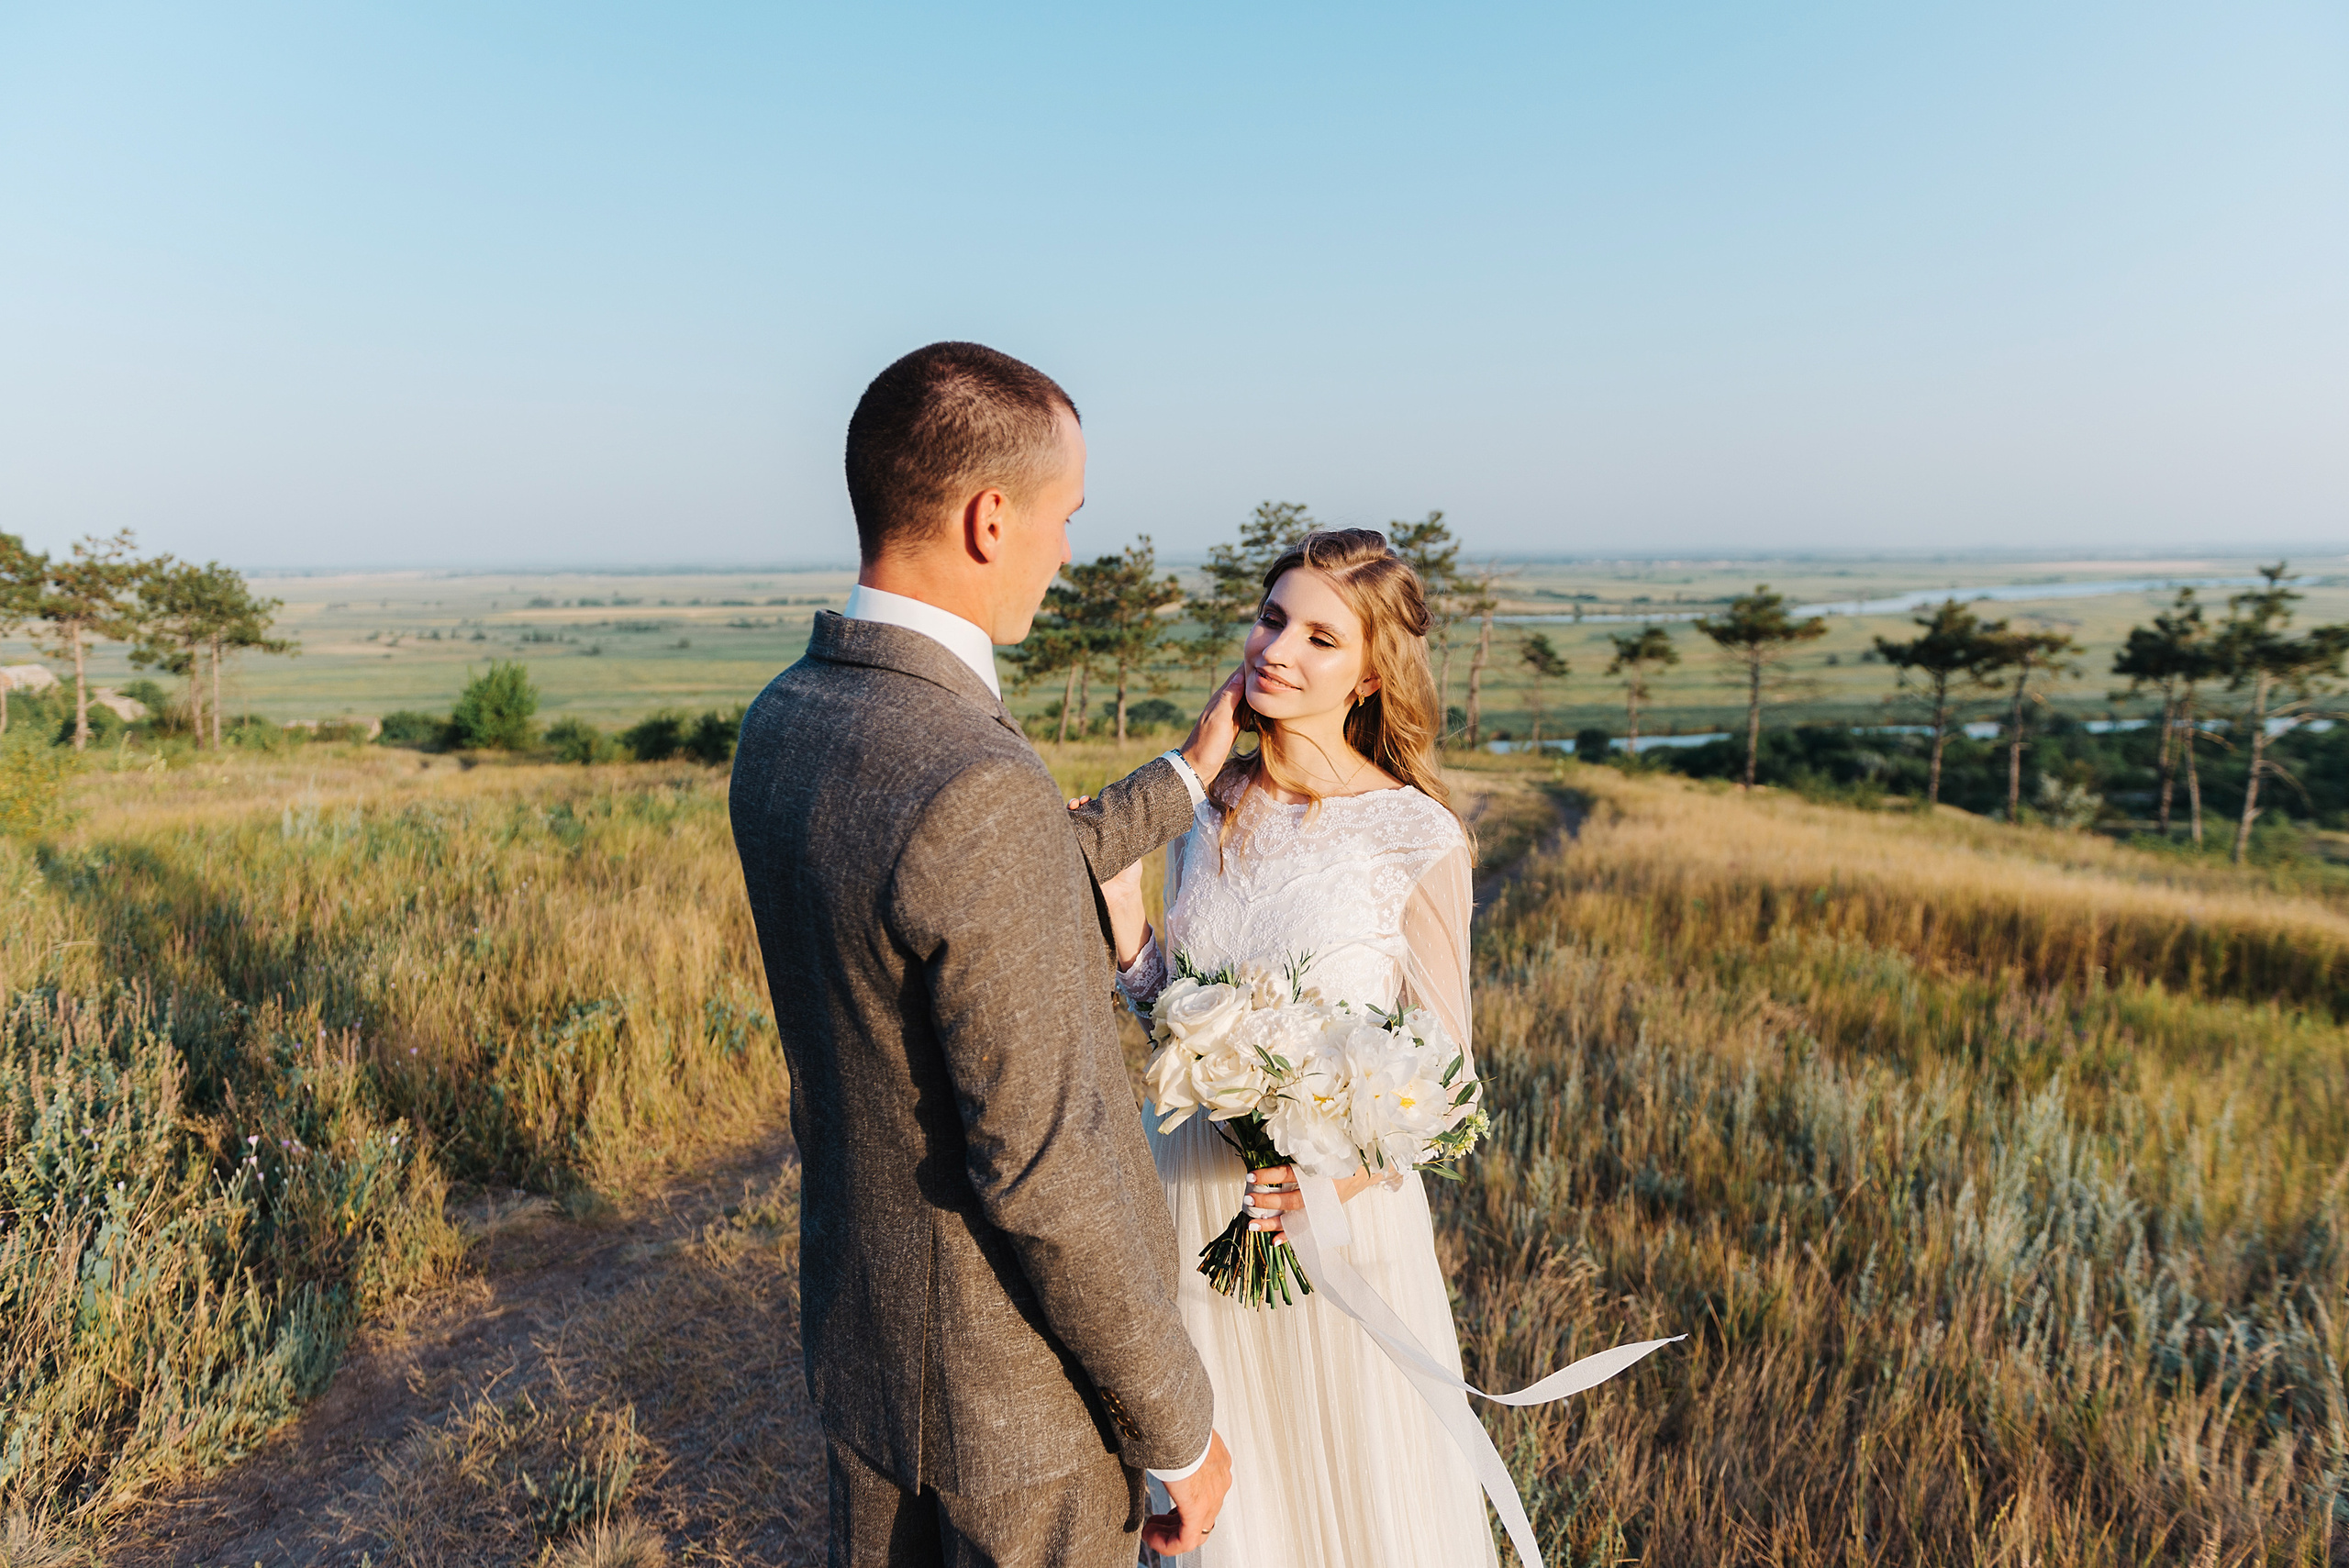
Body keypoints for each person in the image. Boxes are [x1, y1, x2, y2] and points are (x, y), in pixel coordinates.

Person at [729, 341, 1238, 1566]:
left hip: (866, 1341)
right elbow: (1046, 1165)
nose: (1067, 552)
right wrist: (1176, 1427)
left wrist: (1186, 774)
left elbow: (968, 885)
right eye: (1066, 517)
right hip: (1011, 1409)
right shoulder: (970, 777)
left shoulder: (787, 718)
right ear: (989, 515)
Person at [1103, 528, 1499, 1567]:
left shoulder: (1416, 833)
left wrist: (1335, 1184)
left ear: (1369, 672)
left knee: (1354, 1505)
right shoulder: (1211, 805)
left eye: (1321, 636)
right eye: (1274, 617)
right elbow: (1163, 1004)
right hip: (1189, 1191)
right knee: (1232, 1512)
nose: (1279, 648)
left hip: (1333, 1225)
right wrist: (1115, 904)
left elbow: (1445, 1074)